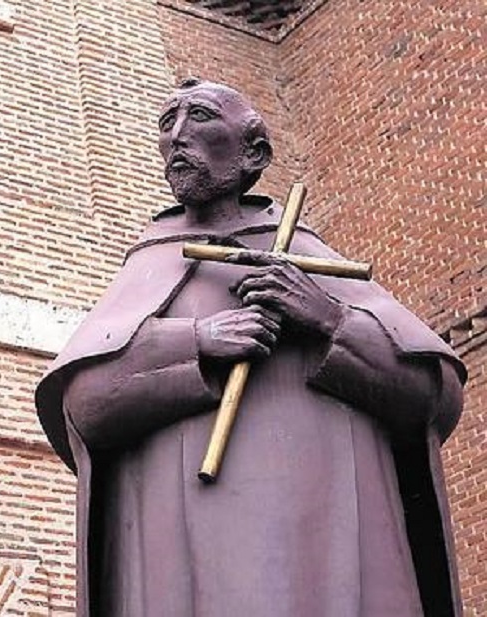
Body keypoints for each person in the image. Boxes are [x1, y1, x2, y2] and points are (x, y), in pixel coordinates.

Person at [36, 78, 466, 617]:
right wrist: (199, 341)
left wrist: (328, 319)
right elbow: (85, 405)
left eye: (200, 117)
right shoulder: (150, 263)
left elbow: (431, 394)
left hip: (331, 549)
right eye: (167, 125)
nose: (178, 138)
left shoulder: (308, 256)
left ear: (255, 152)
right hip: (185, 563)